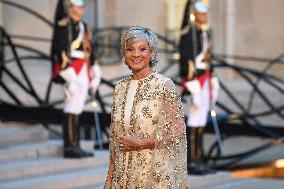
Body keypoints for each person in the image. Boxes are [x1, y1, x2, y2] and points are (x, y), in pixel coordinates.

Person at [104, 26, 188, 189]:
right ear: (124, 54)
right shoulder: (120, 88)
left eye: (142, 49)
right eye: (130, 49)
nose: (136, 54)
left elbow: (178, 134)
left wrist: (141, 143)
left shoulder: (164, 85)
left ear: (152, 53)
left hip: (154, 179)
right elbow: (115, 141)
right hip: (122, 180)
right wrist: (109, 181)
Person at [50, 0, 101, 158]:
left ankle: (76, 144)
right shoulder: (64, 25)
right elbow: (60, 51)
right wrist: (68, 79)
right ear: (70, 8)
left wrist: (95, 70)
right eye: (78, 6)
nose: (81, 8)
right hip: (71, 69)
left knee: (78, 107)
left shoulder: (83, 26)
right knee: (70, 107)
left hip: (83, 68)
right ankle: (69, 147)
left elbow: (89, 50)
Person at [179, 1, 219, 173]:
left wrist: (214, 76)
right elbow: (185, 60)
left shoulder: (206, 32)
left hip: (205, 77)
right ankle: (190, 160)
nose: (205, 17)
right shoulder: (189, 34)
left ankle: (199, 157)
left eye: (206, 14)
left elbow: (209, 57)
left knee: (202, 120)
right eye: (202, 14)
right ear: (195, 14)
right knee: (194, 121)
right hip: (195, 79)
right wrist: (191, 83)